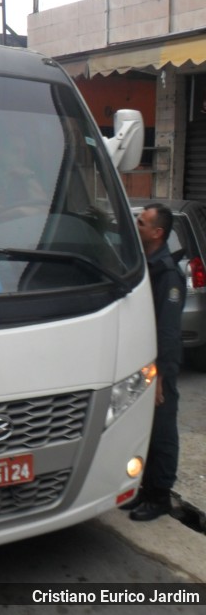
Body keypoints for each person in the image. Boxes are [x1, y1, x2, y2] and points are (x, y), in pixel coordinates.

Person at [123, 203, 186, 521]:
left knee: (161, 429)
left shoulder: (168, 274)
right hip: (144, 362)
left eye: (142, 222)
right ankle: (144, 490)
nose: (136, 224)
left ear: (157, 233)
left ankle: (160, 496)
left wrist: (160, 375)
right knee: (143, 426)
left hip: (160, 365)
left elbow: (168, 331)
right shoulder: (146, 265)